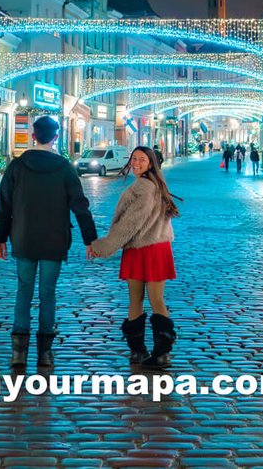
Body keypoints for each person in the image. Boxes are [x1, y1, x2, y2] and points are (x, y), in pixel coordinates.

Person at [0, 115, 97, 371]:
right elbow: (80, 205)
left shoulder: (17, 166)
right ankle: (45, 354)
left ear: (33, 136)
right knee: (48, 293)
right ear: (55, 138)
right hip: (54, 239)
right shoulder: (64, 168)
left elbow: (4, 205)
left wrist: (0, 238)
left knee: (23, 291)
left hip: (24, 237)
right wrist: (90, 239)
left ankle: (18, 354)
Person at [88, 146, 180, 369]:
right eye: (134, 159)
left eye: (142, 159)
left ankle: (154, 352)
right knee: (139, 299)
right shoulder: (153, 184)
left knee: (151, 299)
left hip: (147, 248)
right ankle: (146, 351)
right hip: (150, 247)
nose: (136, 163)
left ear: (151, 163)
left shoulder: (144, 187)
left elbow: (131, 224)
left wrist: (102, 246)